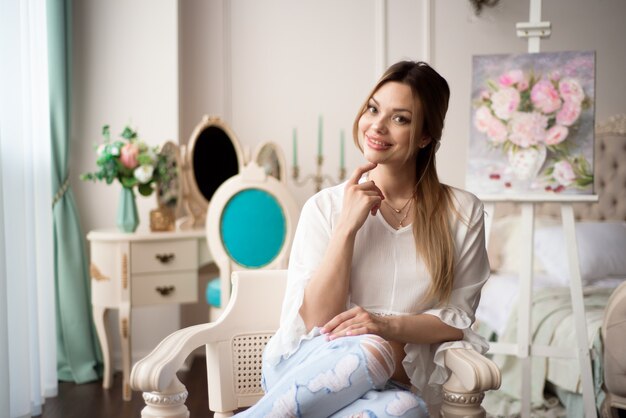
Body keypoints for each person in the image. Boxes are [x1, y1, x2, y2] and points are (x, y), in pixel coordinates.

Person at [236, 61, 490, 417]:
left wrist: (385, 325)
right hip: (308, 370)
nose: (377, 126)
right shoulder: (324, 207)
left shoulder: (462, 212)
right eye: (373, 109)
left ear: (425, 137)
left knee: (407, 411)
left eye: (400, 118)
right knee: (372, 350)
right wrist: (346, 228)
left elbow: (457, 320)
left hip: (394, 384)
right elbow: (316, 321)